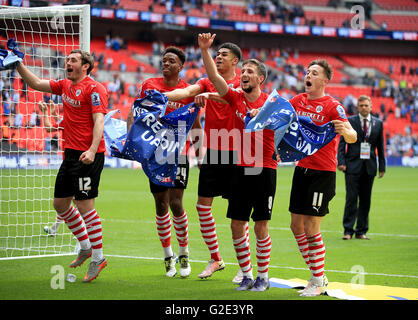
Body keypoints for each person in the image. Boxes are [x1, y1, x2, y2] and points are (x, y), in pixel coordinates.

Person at [16, 49, 109, 282]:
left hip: (90, 155)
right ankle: (85, 246)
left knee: (85, 205)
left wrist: (90, 149)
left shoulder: (94, 89)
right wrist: (17, 64)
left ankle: (98, 258)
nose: (68, 63)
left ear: (85, 66)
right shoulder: (65, 85)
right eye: (67, 59)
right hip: (70, 155)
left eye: (73, 60)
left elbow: (99, 121)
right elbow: (36, 82)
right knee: (60, 204)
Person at [196, 33, 277, 292]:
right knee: (236, 223)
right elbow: (215, 79)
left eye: (250, 71)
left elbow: (288, 126)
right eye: (243, 71)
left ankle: (263, 276)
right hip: (241, 166)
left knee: (261, 225)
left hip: (264, 168)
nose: (244, 74)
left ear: (260, 79)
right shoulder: (235, 98)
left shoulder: (273, 102)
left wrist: (263, 115)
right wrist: (205, 51)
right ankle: (246, 274)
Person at [165, 41, 244, 281]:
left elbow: (229, 98)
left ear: (235, 61)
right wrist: (161, 96)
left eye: (224, 55)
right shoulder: (206, 81)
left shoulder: (243, 82)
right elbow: (187, 93)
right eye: (217, 54)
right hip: (215, 151)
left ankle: (245, 266)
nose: (219, 57)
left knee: (238, 213)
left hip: (239, 151)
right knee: (202, 206)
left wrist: (208, 95)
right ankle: (216, 258)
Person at [126, 47, 201, 278]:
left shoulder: (187, 91)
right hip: (155, 153)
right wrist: (131, 141)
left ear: (180, 66)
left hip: (178, 153)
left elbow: (195, 122)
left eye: (171, 61)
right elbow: (135, 113)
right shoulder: (149, 85)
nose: (166, 64)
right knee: (161, 205)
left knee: (177, 204)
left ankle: (184, 252)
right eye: (164, 60)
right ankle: (168, 256)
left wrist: (200, 150)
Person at [288, 59, 357, 296]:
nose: (308, 75)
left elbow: (352, 134)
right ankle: (318, 274)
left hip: (323, 173)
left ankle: (316, 280)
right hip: (301, 169)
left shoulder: (332, 106)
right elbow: (278, 115)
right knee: (295, 226)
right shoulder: (297, 101)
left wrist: (347, 132)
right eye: (307, 71)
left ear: (325, 80)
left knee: (310, 227)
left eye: (314, 73)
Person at [337, 95, 386, 240]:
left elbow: (380, 146)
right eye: (361, 105)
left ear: (371, 107)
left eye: (366, 105)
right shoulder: (350, 121)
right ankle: (348, 230)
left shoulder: (378, 123)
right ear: (357, 107)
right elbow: (342, 144)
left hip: (369, 167)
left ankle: (361, 231)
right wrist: (341, 161)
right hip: (352, 166)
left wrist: (382, 166)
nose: (364, 108)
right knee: (351, 199)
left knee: (366, 200)